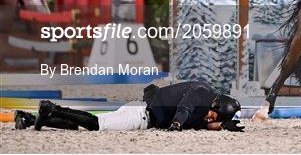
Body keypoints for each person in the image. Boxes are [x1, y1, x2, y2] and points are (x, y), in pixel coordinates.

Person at [14, 81, 244, 132]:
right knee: (97, 124)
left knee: (81, 127)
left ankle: (31, 118)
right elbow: (183, 108)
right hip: (141, 115)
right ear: (215, 104)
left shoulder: (204, 110)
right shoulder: (201, 93)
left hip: (143, 112)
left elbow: (202, 124)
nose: (209, 118)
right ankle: (52, 108)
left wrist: (223, 125)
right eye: (214, 115)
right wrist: (175, 123)